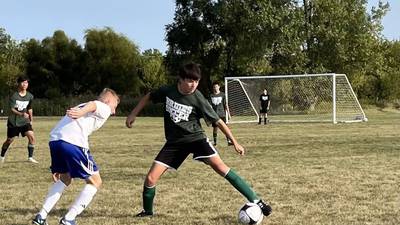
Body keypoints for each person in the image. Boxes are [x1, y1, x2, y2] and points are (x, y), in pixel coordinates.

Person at [126, 62, 272, 218]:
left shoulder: (198, 98)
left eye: (196, 81)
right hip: (174, 143)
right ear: (180, 79)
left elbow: (218, 121)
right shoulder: (168, 91)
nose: (193, 84)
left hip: (196, 139)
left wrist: (234, 142)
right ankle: (148, 212)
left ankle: (257, 200)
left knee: (221, 167)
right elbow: (149, 95)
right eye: (190, 81)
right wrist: (133, 113)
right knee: (150, 178)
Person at [32, 88, 120, 225]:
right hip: (73, 143)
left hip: (55, 141)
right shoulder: (103, 106)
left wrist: (82, 111)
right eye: (115, 106)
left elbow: (89, 107)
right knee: (95, 181)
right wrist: (82, 112)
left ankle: (41, 216)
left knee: (65, 178)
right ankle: (69, 219)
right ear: (108, 101)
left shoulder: (82, 105)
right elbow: (94, 104)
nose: (114, 112)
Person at [1, 76, 38, 163]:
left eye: (26, 82)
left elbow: (30, 108)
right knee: (9, 140)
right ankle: (2, 155)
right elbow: (12, 109)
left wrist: (31, 120)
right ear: (19, 83)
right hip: (13, 122)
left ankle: (30, 157)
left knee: (31, 136)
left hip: (25, 121)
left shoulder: (30, 96)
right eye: (23, 82)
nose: (25, 84)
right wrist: (21, 114)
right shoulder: (14, 96)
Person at [209, 81, 232, 146]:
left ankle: (229, 141)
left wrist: (229, 114)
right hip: (214, 115)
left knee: (225, 128)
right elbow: (210, 106)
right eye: (214, 87)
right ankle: (215, 142)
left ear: (219, 87)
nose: (215, 88)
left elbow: (226, 105)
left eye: (216, 87)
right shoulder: (211, 95)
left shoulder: (222, 94)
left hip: (222, 114)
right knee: (215, 128)